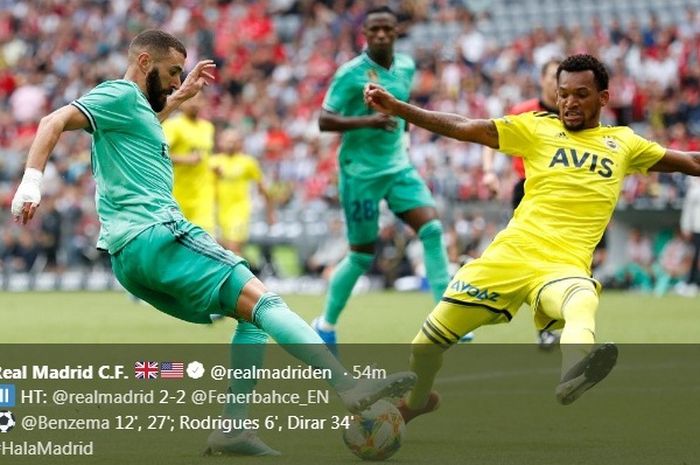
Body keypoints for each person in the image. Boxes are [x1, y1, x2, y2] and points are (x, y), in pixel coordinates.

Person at [10, 29, 416, 456]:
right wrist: (31, 184)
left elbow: (145, 118)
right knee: (267, 302)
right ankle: (348, 387)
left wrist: (181, 97)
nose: (173, 81)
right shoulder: (118, 95)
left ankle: (233, 428)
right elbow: (51, 121)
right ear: (144, 61)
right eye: (170, 72)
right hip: (157, 234)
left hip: (128, 256)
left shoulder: (135, 111)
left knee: (251, 320)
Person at [363, 53, 700, 420]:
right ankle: (417, 403)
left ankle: (575, 369)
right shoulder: (535, 128)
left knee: (582, 298)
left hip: (561, 267)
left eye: (581, 94)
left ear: (602, 98)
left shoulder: (625, 143)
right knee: (425, 348)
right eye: (563, 94)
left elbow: (691, 162)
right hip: (507, 259)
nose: (570, 102)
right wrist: (399, 108)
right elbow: (464, 125)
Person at [312, 6, 456, 353]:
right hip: (359, 173)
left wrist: (402, 138)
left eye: (386, 29)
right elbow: (324, 120)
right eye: (373, 29)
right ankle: (325, 324)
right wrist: (368, 122)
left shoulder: (405, 66)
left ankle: (447, 319)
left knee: (433, 229)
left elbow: (402, 109)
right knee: (361, 255)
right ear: (365, 34)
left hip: (398, 166)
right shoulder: (351, 74)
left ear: (396, 32)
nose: (380, 35)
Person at [482, 58, 561, 349]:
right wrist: (490, 172)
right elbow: (491, 138)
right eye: (553, 76)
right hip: (527, 192)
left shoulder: (575, 115)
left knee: (554, 265)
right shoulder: (524, 112)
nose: (558, 83)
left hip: (563, 196)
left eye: (562, 77)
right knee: (540, 262)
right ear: (541, 79)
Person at [210, 128, 275, 256]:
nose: (230, 144)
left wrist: (270, 212)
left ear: (240, 143)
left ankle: (239, 275)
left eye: (234, 141)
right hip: (219, 211)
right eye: (227, 141)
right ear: (220, 142)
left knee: (233, 247)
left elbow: (263, 188)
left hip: (239, 210)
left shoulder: (247, 162)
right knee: (222, 249)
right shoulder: (213, 162)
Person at [162, 92, 216, 233]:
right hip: (178, 195)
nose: (194, 103)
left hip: (203, 195)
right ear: (182, 102)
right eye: (189, 99)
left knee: (205, 239)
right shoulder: (173, 125)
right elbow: (159, 154)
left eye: (198, 100)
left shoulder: (208, 127)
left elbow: (206, 156)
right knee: (177, 241)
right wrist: (185, 159)